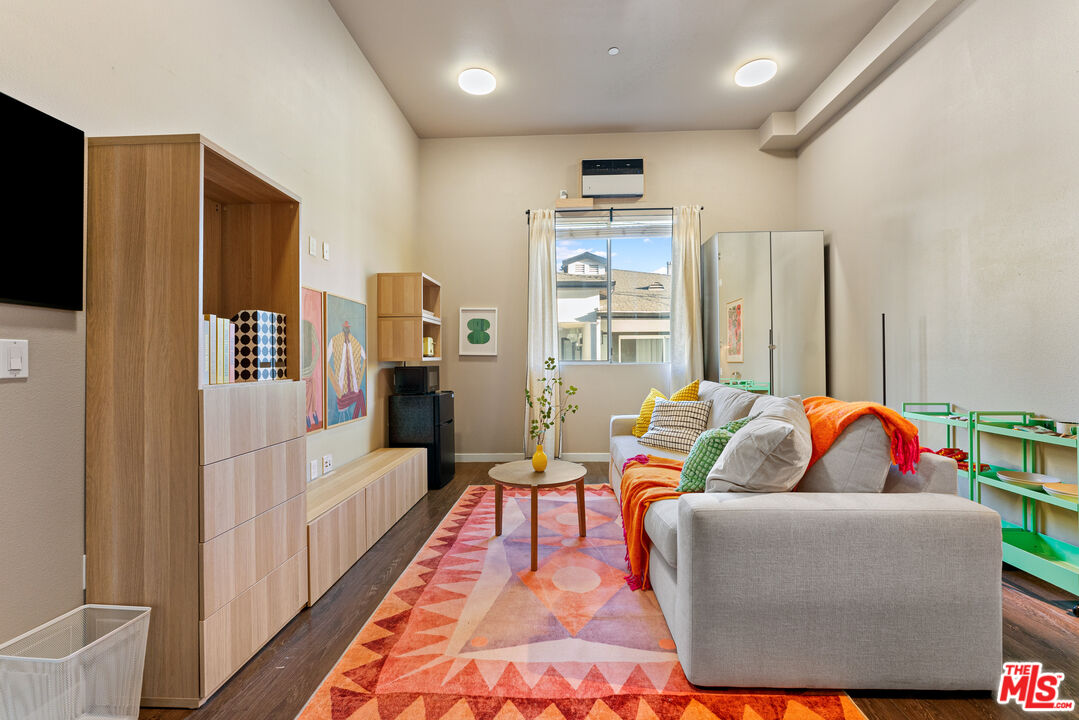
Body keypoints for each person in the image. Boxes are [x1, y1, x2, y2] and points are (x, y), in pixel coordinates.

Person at [327, 319, 366, 421]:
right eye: (345, 327)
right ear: (343, 328)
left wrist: (359, 377)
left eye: (347, 328)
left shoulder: (354, 342)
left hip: (353, 386)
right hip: (341, 387)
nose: (346, 329)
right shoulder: (335, 340)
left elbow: (366, 357)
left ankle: (353, 419)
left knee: (359, 395)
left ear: (349, 329)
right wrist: (334, 382)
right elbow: (325, 360)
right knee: (342, 409)